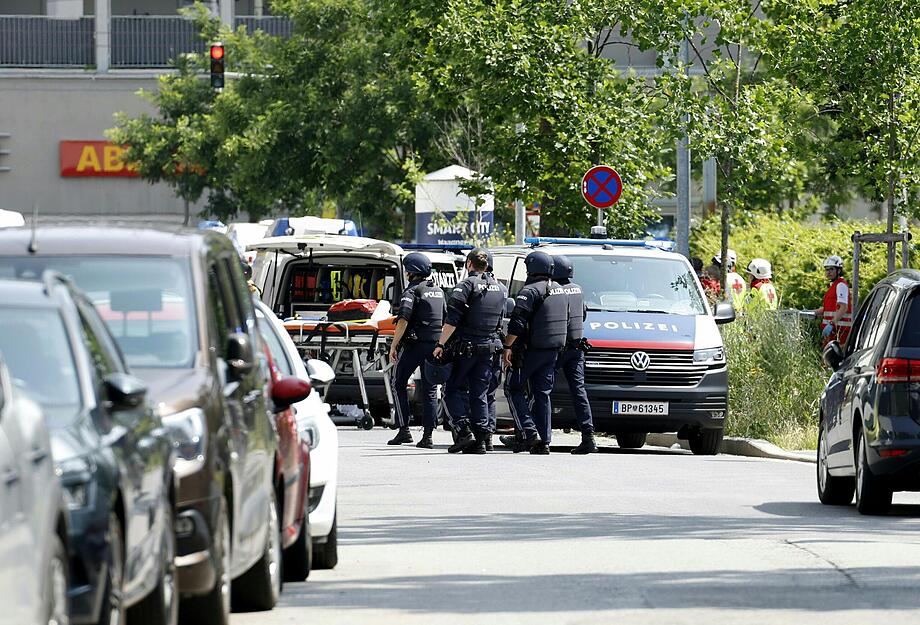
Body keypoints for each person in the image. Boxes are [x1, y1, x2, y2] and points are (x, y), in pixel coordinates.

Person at [433, 248, 508, 454]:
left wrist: (440, 344)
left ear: (469, 264)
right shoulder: (501, 288)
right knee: (480, 394)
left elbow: (452, 320)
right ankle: (482, 440)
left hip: (466, 348)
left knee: (451, 390)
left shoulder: (466, 285)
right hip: (489, 349)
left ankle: (464, 430)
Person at [502, 251, 568, 455]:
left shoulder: (529, 291)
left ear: (532, 268)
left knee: (512, 388)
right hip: (553, 351)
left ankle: (529, 433)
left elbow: (517, 322)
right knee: (542, 394)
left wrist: (507, 346)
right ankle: (544, 440)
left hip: (529, 351)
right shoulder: (560, 290)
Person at [387, 252, 445, 448]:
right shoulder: (439, 291)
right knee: (429, 389)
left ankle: (404, 430)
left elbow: (403, 320)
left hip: (415, 345)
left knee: (397, 382)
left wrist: (394, 345)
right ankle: (428, 436)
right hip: (434, 346)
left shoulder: (411, 292)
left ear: (411, 272)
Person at [552, 255, 597, 455]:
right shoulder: (578, 289)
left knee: (537, 388)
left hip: (556, 347)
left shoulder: (553, 289)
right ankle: (588, 436)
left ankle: (529, 434)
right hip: (577, 347)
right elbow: (583, 314)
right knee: (579, 392)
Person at [813, 255, 852, 347]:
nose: (828, 272)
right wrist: (811, 312)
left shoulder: (840, 285)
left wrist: (831, 324)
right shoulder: (834, 285)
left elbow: (843, 307)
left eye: (831, 269)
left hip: (840, 332)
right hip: (834, 331)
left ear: (838, 270)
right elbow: (828, 309)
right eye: (827, 269)